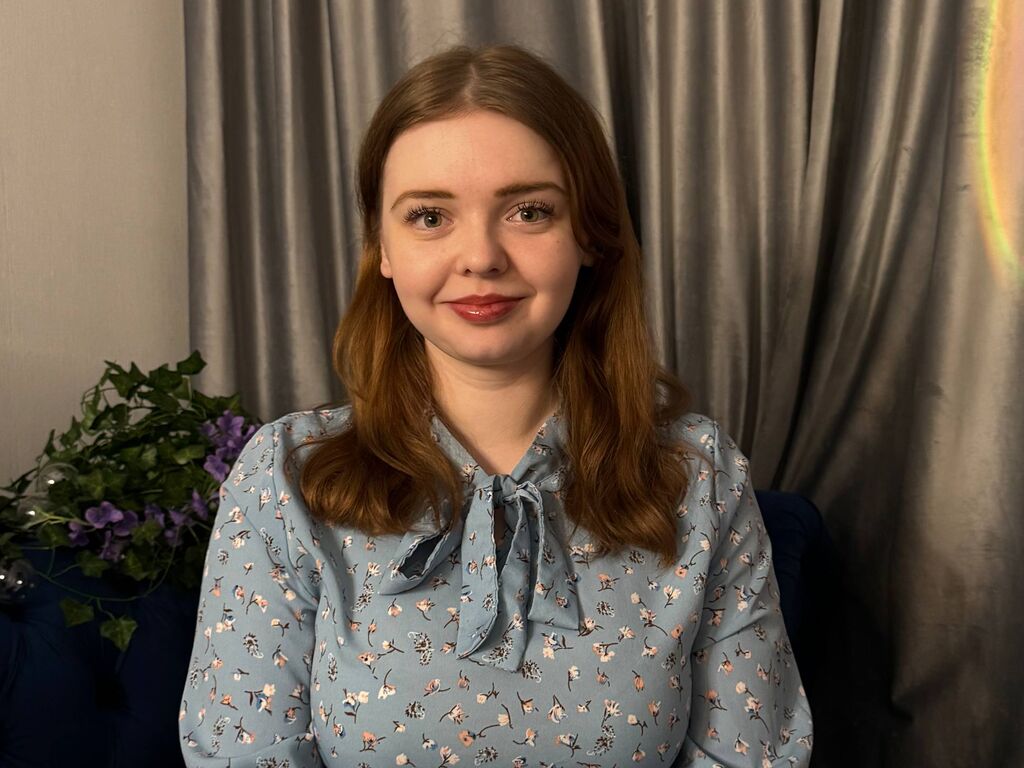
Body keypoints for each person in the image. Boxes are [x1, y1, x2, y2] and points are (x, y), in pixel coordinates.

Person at [178, 44, 812, 767]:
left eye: (528, 211)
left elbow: (752, 757)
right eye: (429, 216)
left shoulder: (699, 476)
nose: (480, 256)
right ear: (382, 246)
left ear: (590, 235)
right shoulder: (285, 477)